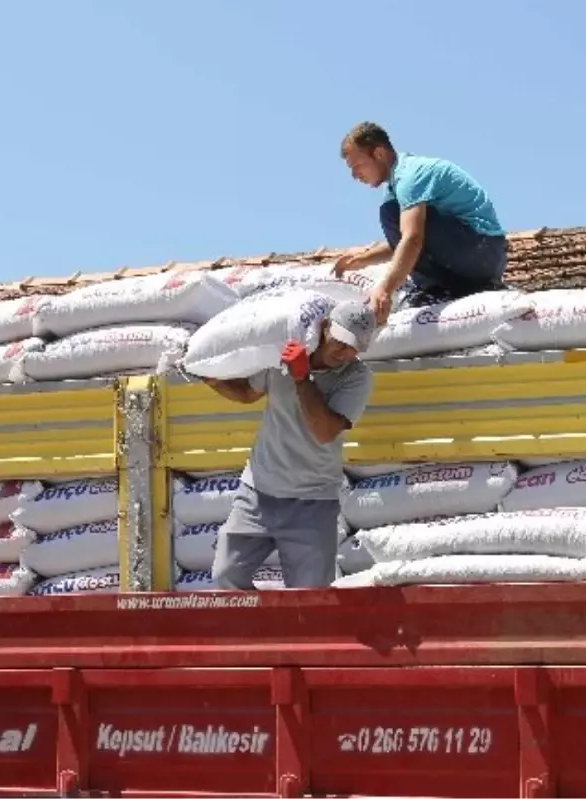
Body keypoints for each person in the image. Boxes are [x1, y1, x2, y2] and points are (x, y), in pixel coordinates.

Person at [204, 301, 378, 590]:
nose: (345, 353)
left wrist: (301, 377)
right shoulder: (281, 356)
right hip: (257, 494)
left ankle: (297, 635)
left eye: (354, 348)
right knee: (226, 577)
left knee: (309, 598)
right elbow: (248, 393)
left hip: (312, 503)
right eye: (341, 342)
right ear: (325, 328)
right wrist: (209, 377)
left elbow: (323, 431)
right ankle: (263, 633)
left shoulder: (356, 377)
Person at [335, 121, 508, 323]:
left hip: (482, 251)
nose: (355, 176)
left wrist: (385, 289)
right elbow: (406, 244)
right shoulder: (396, 184)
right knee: (392, 211)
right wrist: (363, 259)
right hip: (479, 254)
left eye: (357, 166)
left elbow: (413, 239)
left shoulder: (410, 176)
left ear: (379, 153)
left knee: (390, 212)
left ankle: (435, 291)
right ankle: (450, 288)